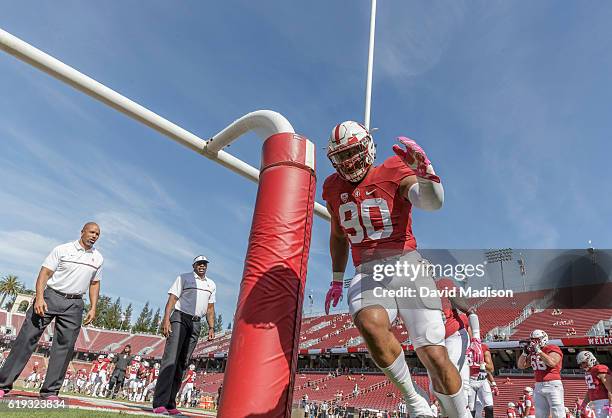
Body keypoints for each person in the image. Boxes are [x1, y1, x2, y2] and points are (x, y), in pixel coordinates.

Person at [323, 122, 466, 418]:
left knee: (434, 355)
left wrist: (429, 178)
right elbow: (338, 235)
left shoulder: (392, 169)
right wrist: (337, 279)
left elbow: (431, 203)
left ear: (367, 148)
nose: (348, 162)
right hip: (368, 272)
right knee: (370, 323)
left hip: (407, 265)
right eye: (342, 155)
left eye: (352, 152)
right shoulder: (333, 188)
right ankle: (415, 402)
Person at [0, 222, 102, 400]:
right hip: (51, 297)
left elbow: (95, 283)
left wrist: (93, 307)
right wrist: (39, 297)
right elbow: (44, 274)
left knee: (65, 347)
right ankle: (2, 385)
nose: (94, 236)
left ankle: (50, 391)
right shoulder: (62, 249)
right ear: (82, 232)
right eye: (92, 232)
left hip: (75, 304)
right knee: (26, 339)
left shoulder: (98, 258)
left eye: (97, 234)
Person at [152, 255, 216, 415]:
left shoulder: (211, 284)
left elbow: (210, 308)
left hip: (196, 323)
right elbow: (172, 300)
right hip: (180, 317)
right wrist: (166, 320)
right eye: (199, 263)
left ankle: (170, 404)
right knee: (170, 360)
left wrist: (211, 327)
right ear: (194, 265)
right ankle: (159, 403)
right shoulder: (184, 278)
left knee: (182, 363)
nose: (202, 266)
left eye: (204, 264)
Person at [517, 330, 565, 418]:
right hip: (538, 385)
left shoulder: (552, 348)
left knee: (558, 412)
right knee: (540, 414)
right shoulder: (533, 352)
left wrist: (539, 351)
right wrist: (524, 353)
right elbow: (521, 365)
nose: (533, 342)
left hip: (553, 384)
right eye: (532, 340)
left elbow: (552, 363)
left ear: (543, 339)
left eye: (536, 340)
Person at [576, 351, 612, 418]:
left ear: (590, 359)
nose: (582, 366)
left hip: (604, 402)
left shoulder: (599, 368)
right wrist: (584, 404)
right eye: (580, 364)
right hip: (595, 403)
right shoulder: (590, 372)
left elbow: (610, 387)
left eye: (583, 363)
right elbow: (590, 390)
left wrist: (611, 404)